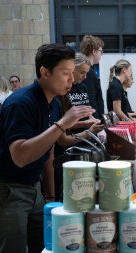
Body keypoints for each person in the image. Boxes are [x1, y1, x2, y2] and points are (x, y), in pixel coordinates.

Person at [0, 44, 96, 253]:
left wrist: (50, 197)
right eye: (65, 73)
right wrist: (62, 124)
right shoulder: (21, 103)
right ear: (44, 72)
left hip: (33, 188)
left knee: (44, 246)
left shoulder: (54, 103)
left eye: (72, 73)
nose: (72, 79)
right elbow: (20, 156)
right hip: (6, 188)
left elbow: (51, 148)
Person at [52, 53, 104, 201]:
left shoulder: (78, 89)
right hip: (64, 154)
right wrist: (88, 130)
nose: (84, 77)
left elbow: (68, 123)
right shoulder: (59, 96)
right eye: (82, 72)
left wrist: (87, 122)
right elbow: (62, 133)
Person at [80, 35, 105, 118]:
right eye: (101, 51)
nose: (101, 55)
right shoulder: (88, 72)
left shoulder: (91, 70)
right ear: (94, 51)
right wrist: (97, 120)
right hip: (93, 120)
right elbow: (91, 98)